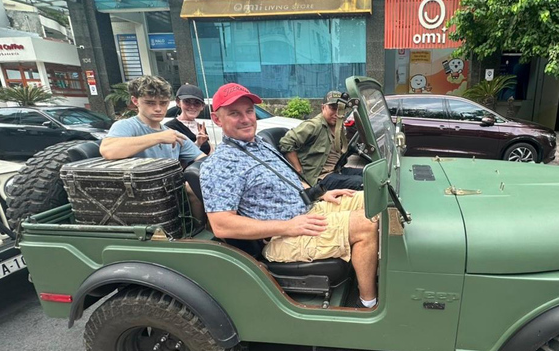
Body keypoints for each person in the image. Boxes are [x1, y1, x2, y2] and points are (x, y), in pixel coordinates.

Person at [200, 83, 379, 308]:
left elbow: (289, 180)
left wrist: (320, 193)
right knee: (366, 224)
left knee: (376, 200)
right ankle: (369, 304)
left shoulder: (259, 145)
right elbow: (222, 225)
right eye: (234, 113)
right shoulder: (220, 165)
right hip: (281, 237)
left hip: (307, 211)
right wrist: (288, 227)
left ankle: (381, 269)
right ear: (217, 119)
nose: (246, 119)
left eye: (248, 111)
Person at [101, 76, 205, 219]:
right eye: (150, 103)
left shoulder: (173, 134)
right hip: (137, 199)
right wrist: (158, 137)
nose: (158, 109)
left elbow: (203, 160)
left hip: (170, 195)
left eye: (163, 103)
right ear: (135, 101)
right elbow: (108, 150)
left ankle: (201, 230)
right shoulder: (126, 126)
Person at [279, 90, 363, 191]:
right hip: (320, 177)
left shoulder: (339, 127)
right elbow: (286, 142)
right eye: (333, 108)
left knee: (369, 174)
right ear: (323, 107)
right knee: (360, 183)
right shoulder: (314, 125)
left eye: (341, 109)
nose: (337, 113)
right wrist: (298, 170)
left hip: (336, 170)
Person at [164, 84, 212, 155]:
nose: (192, 106)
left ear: (202, 106)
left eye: (197, 103)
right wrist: (197, 144)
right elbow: (173, 156)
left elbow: (209, 150)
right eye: (187, 102)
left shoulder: (201, 127)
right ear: (178, 102)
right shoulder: (170, 127)